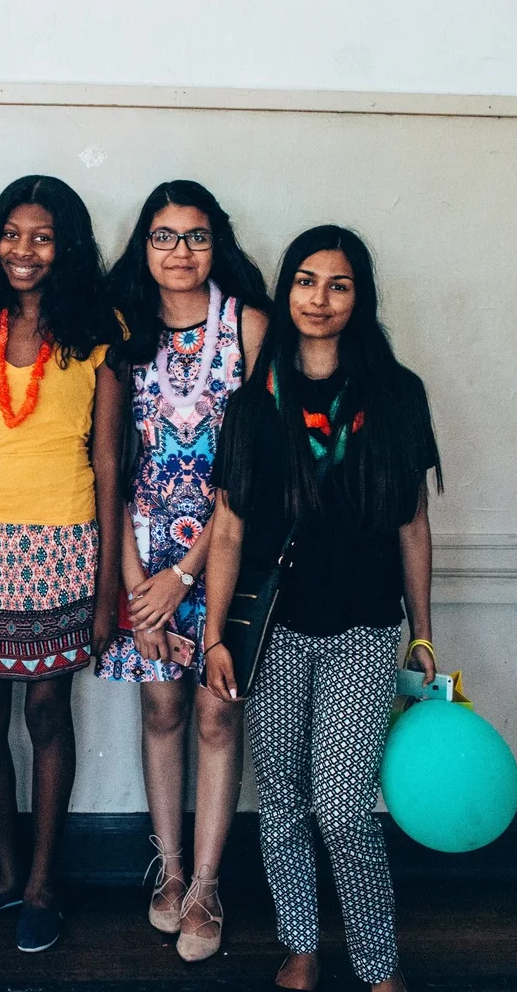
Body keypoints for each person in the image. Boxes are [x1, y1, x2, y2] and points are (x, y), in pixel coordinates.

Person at [202, 226, 441, 991]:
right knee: (282, 797)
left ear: (360, 298)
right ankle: (299, 943)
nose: (320, 299)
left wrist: (424, 632)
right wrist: (214, 637)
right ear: (287, 290)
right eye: (306, 281)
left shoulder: (397, 397)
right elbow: (230, 529)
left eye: (338, 285)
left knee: (340, 806)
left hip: (365, 631)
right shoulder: (253, 403)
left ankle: (379, 964)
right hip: (271, 634)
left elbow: (412, 523)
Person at [0, 175, 125, 953]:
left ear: (69, 245)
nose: (24, 249)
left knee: (46, 712)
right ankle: (10, 873)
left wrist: (110, 586)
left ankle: (47, 883)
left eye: (43, 235)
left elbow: (111, 461)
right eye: (12, 234)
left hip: (63, 539)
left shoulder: (99, 328)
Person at [98, 180, 269, 961]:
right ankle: (167, 868)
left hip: (221, 557)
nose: (180, 252)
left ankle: (207, 884)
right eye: (163, 236)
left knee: (215, 715)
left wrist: (185, 578)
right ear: (145, 245)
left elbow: (252, 468)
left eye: (195, 236)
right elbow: (112, 466)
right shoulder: (123, 330)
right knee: (162, 712)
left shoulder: (250, 327)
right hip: (143, 562)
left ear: (217, 242)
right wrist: (140, 584)